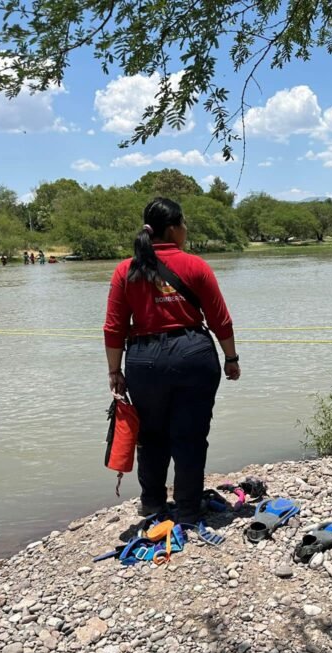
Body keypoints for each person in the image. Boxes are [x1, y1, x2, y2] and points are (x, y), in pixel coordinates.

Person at [103, 197, 240, 521]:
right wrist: (231, 358)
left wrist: (114, 371)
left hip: (143, 361)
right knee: (190, 435)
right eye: (184, 224)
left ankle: (153, 503)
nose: (186, 230)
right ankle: (189, 507)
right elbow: (221, 320)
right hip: (193, 354)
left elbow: (114, 327)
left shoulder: (126, 270)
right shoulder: (196, 266)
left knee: (150, 435)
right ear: (173, 229)